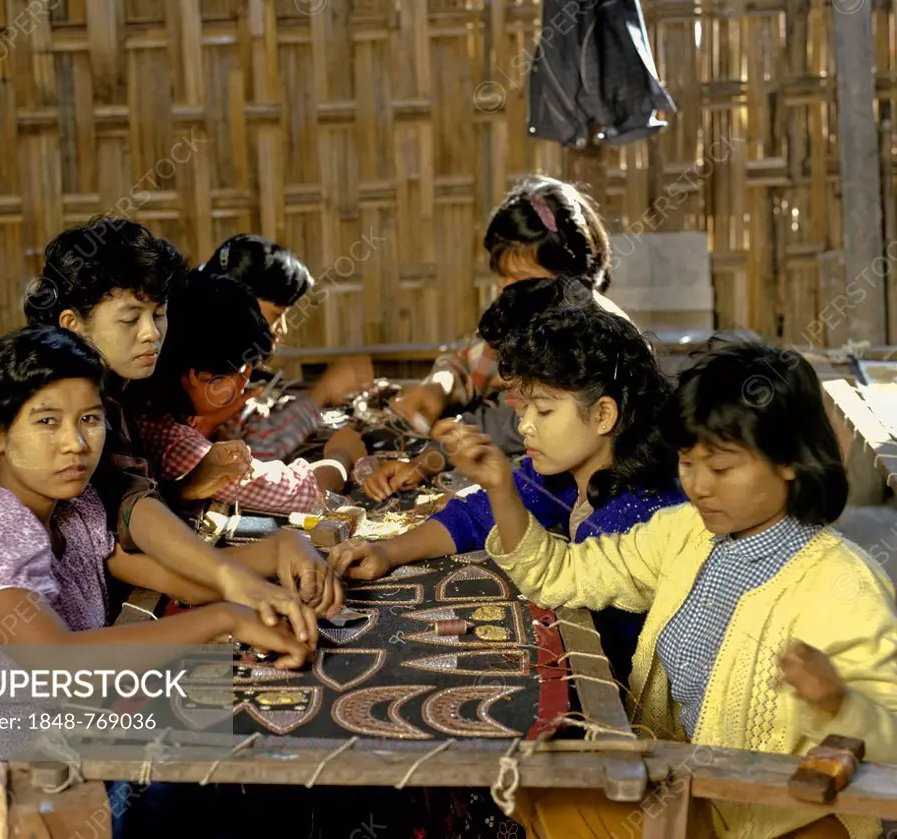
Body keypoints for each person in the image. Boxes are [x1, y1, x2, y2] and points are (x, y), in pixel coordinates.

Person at [464, 337, 897, 839]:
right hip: (682, 795)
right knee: (528, 786)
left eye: (721, 468)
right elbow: (562, 575)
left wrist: (838, 702)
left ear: (789, 461)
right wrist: (499, 487)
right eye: (687, 464)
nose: (698, 486)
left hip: (782, 823)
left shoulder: (843, 583)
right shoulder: (686, 534)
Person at [0, 326, 312, 767]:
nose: (76, 444)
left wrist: (280, 549)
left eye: (89, 419)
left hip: (69, 742)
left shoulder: (76, 506)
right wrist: (225, 618)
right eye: (47, 422)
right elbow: (58, 667)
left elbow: (179, 581)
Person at [330, 278, 685, 688]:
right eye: (523, 406)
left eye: (544, 410)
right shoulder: (568, 477)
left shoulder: (641, 514)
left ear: (604, 415)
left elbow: (559, 581)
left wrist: (500, 486)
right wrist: (386, 551)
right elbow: (479, 515)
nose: (524, 425)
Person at [24, 216, 338, 634]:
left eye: (158, 314)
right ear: (73, 325)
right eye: (130, 318)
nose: (151, 334)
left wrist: (267, 556)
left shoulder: (113, 396)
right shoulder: (54, 413)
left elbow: (125, 517)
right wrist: (234, 582)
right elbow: (133, 514)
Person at [367, 174, 628, 498]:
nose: (505, 289)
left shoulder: (585, 337)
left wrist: (434, 455)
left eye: (519, 278)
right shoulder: (527, 314)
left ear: (570, 274)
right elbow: (474, 359)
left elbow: (513, 423)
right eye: (500, 277)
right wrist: (441, 385)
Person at [131, 272, 369, 514]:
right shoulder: (178, 447)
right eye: (242, 371)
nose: (245, 382)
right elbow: (303, 494)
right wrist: (341, 455)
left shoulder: (157, 408)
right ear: (198, 375)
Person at [195, 234, 375, 461]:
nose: (283, 329)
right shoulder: (209, 372)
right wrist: (322, 394)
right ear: (239, 304)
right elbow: (259, 455)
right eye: (277, 315)